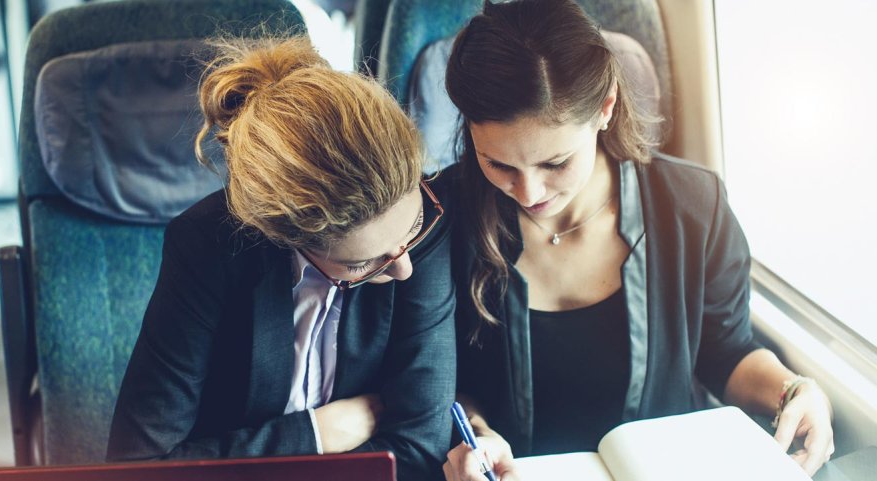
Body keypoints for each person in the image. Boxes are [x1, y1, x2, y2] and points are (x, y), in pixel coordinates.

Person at [438, 1, 834, 480]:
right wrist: (475, 434)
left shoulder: (693, 204)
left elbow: (726, 352)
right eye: (499, 164)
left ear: (605, 108)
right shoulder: (443, 215)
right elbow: (439, 375)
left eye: (555, 163)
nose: (528, 192)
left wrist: (795, 391)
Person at [107, 36, 455, 481]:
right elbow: (138, 467)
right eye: (361, 266)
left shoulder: (421, 230)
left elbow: (420, 450)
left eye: (412, 231)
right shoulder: (205, 247)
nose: (405, 268)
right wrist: (314, 437)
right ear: (288, 238)